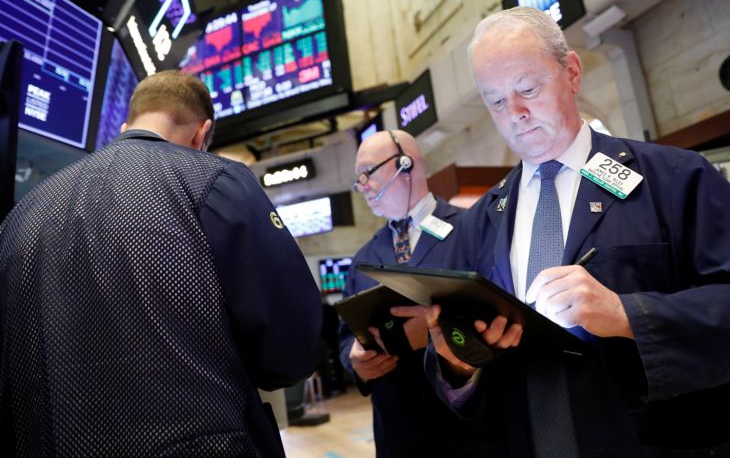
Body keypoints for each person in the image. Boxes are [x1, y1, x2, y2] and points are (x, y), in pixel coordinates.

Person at [416, 7, 730, 457]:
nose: (515, 113)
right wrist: (456, 361)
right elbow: (452, 369)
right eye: (496, 101)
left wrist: (626, 314)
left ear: (572, 72)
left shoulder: (673, 178)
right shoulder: (480, 220)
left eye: (528, 88)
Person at [0, 70, 322, 457]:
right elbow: (291, 347)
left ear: (125, 125)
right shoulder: (216, 180)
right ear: (201, 135)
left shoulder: (22, 214)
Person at [338, 129, 478, 458]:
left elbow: (498, 315)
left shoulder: (470, 229)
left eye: (368, 173)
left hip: (465, 428)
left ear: (406, 163)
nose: (362, 186)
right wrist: (355, 362)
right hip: (396, 433)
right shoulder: (364, 257)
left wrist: (434, 334)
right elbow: (345, 336)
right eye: (357, 179)